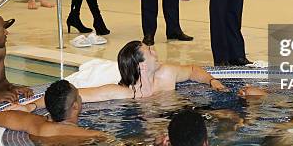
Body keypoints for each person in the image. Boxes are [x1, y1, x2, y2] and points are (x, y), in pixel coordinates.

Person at [76, 40, 228, 102]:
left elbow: (193, 70)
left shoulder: (166, 74)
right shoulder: (124, 93)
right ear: (142, 65)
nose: (155, 52)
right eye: (150, 51)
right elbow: (77, 95)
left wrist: (212, 80)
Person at [0, 79, 103, 138]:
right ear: (75, 106)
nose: (80, 98)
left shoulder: (38, 125)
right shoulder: (92, 135)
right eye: (78, 96)